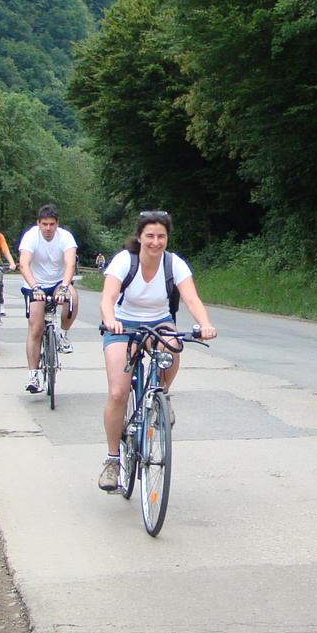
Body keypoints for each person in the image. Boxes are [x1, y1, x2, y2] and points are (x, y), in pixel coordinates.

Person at [96, 210, 217, 491]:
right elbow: (108, 297)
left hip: (159, 322)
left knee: (174, 345)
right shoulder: (125, 261)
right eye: (149, 235)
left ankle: (162, 393)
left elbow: (191, 298)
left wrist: (205, 324)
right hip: (123, 325)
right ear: (139, 237)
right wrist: (111, 320)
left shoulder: (174, 264)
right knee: (118, 393)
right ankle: (112, 460)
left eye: (161, 236)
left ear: (167, 238)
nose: (155, 241)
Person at [17, 204, 78, 393]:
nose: (48, 228)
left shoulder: (66, 237)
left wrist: (65, 287)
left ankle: (63, 334)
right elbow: (24, 264)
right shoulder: (31, 236)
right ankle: (33, 375)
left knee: (73, 298)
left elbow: (70, 264)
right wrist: (35, 286)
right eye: (44, 224)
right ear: (38, 223)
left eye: (52, 224)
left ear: (57, 224)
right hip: (36, 284)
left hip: (59, 281)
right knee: (36, 327)